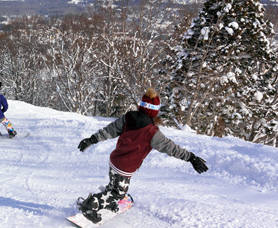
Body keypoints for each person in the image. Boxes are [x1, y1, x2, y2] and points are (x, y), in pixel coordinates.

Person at [76, 88, 209, 224]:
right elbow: (171, 148)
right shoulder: (152, 132)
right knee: (119, 193)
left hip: (114, 161)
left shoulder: (128, 117)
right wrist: (191, 157)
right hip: (125, 168)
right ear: (155, 111)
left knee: (113, 185)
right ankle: (91, 206)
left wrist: (92, 139)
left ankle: (108, 203)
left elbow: (109, 130)